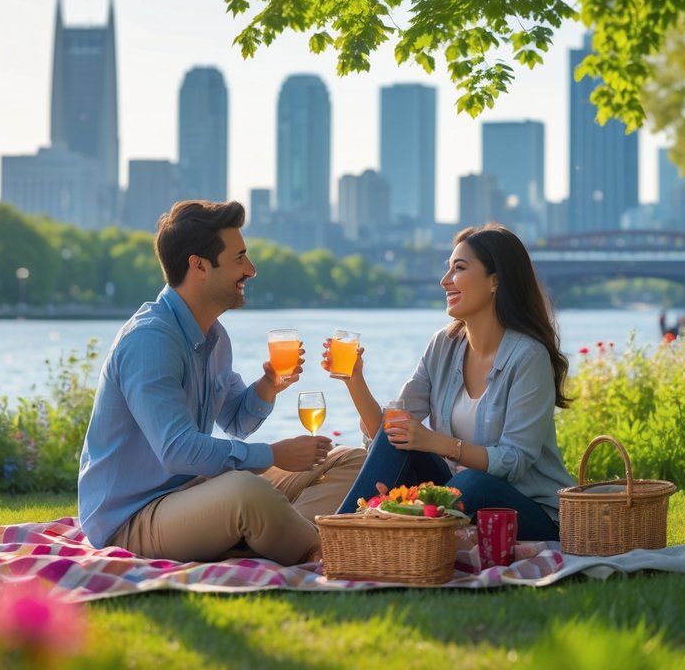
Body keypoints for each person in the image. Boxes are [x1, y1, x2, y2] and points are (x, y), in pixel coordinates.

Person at [77, 199, 364, 565]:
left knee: (347, 460)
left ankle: (276, 535)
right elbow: (178, 450)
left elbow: (237, 422)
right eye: (239, 258)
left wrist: (268, 384)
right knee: (245, 491)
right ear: (198, 266)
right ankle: (322, 548)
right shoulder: (150, 341)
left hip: (197, 492)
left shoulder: (214, 337)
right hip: (133, 519)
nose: (252, 269)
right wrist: (273, 455)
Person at [330, 223, 575, 542]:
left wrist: (437, 443)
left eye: (459, 268)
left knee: (474, 483)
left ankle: (391, 536)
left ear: (495, 281)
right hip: (457, 495)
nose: (444, 281)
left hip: (532, 512)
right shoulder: (443, 345)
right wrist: (354, 380)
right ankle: (339, 534)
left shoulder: (528, 357)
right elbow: (388, 432)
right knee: (399, 438)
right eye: (448, 269)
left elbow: (513, 462)